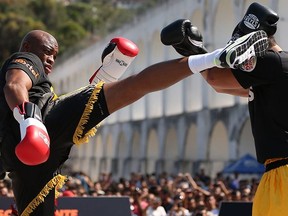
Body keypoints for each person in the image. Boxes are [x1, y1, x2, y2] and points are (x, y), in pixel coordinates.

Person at [0, 17, 267, 215]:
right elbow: (15, 85)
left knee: (133, 87)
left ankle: (216, 57)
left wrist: (31, 123)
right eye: (47, 52)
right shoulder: (24, 59)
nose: (50, 60)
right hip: (38, 141)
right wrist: (32, 122)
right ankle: (210, 58)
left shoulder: (29, 85)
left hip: (35, 145)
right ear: (27, 46)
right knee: (135, 86)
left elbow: (23, 91)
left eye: (54, 56)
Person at [162, 2, 287, 216]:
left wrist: (194, 51)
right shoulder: (278, 72)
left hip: (282, 172)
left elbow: (215, 78)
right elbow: (224, 87)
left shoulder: (269, 62)